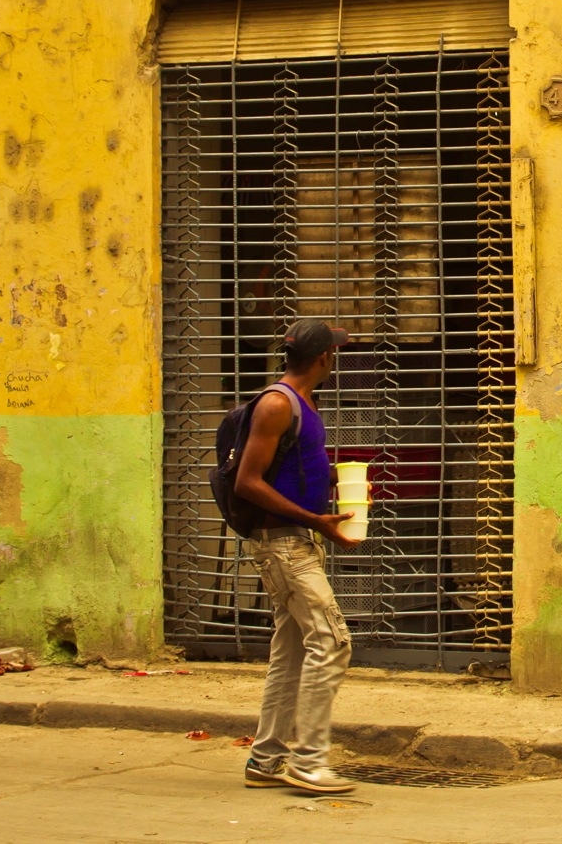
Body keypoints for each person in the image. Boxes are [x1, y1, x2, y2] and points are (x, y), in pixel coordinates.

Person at [233, 318, 364, 794]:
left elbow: (293, 468)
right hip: (284, 547)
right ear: (324, 358)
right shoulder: (276, 404)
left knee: (290, 654)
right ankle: (309, 762)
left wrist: (334, 482)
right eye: (335, 353)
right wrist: (316, 522)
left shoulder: (304, 403)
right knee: (331, 642)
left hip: (298, 541)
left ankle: (266, 761)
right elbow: (248, 481)